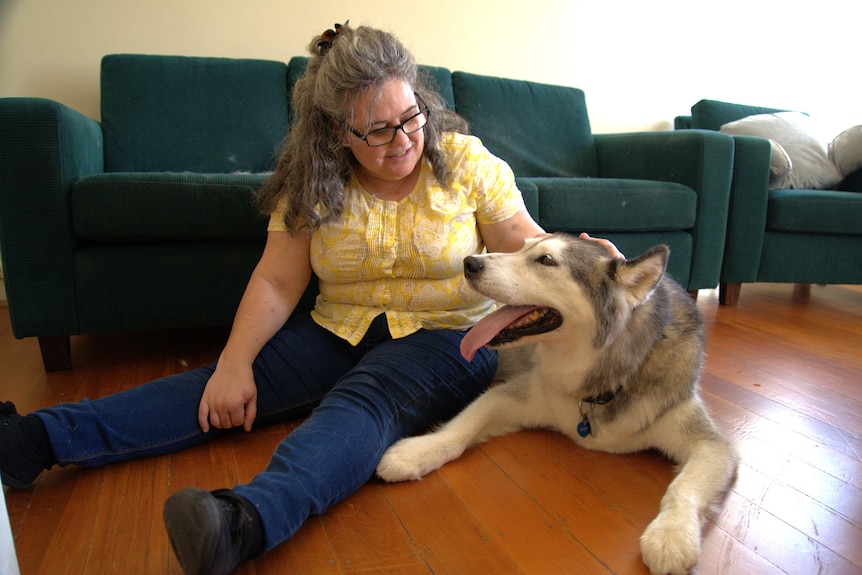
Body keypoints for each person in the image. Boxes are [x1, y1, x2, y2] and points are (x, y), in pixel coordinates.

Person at [0, 22, 620, 575]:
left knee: (363, 403)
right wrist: (236, 364)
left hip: (446, 336)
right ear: (336, 130)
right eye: (377, 130)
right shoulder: (313, 178)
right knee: (213, 386)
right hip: (336, 328)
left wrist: (585, 256)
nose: (402, 140)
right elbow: (276, 281)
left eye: (410, 116)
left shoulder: (462, 160)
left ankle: (241, 524)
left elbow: (524, 241)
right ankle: (32, 441)